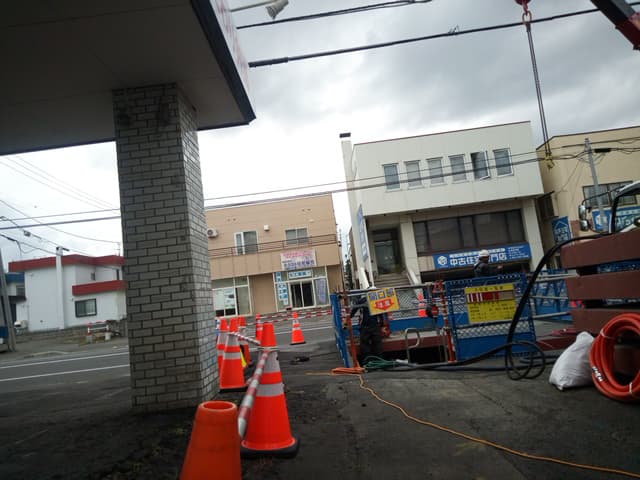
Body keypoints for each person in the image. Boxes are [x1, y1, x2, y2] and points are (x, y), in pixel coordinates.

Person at [350, 292, 384, 361]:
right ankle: (380, 361)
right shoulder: (377, 299)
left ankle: (367, 361)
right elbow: (381, 313)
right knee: (377, 345)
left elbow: (354, 310)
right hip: (375, 325)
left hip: (364, 326)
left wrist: (349, 317)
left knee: (364, 345)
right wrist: (381, 323)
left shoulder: (361, 300)